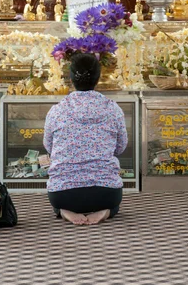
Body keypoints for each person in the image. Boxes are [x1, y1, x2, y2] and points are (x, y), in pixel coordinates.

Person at [43, 53, 127, 225]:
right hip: (106, 193)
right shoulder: (113, 109)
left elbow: (49, 147)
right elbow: (120, 148)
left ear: (71, 78)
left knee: (57, 203)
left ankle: (63, 211)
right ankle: (105, 212)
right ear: (98, 78)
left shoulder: (57, 110)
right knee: (114, 205)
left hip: (62, 194)